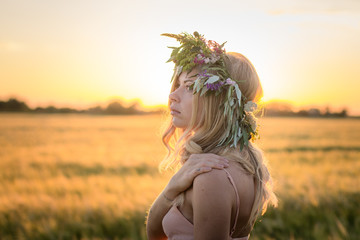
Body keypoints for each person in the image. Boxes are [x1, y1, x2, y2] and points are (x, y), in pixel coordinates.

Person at [146, 31, 277, 240]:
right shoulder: (241, 161)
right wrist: (171, 189)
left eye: (189, 87)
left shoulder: (212, 174)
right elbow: (155, 233)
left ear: (217, 101)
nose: (172, 95)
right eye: (177, 85)